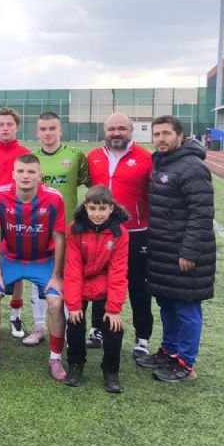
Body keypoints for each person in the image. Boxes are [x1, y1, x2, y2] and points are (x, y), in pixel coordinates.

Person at [137, 115, 215, 383]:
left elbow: (201, 214)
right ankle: (169, 351)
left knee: (186, 307)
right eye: (156, 134)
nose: (161, 139)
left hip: (183, 252)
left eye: (166, 133)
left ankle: (186, 363)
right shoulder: (162, 163)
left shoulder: (192, 167)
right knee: (167, 303)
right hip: (162, 250)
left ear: (180, 136)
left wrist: (189, 252)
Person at [0, 154, 67, 379]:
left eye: (31, 172)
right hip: (11, 259)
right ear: (13, 174)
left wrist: (57, 276)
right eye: (20, 171)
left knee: (55, 302)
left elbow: (59, 237)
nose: (25, 176)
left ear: (40, 176)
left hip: (43, 260)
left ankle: (55, 357)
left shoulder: (54, 198)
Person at [87, 112, 154, 359]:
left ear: (131, 131)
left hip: (136, 232)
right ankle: (97, 329)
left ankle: (142, 338)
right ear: (105, 131)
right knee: (99, 281)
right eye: (112, 129)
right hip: (102, 232)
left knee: (138, 285)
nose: (116, 133)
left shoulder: (146, 158)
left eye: (122, 129)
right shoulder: (93, 157)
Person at [29, 112, 89, 347]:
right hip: (38, 230)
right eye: (43, 129)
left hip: (68, 231)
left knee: (67, 279)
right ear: (37, 132)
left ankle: (63, 330)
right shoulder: (32, 159)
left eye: (52, 128)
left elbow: (86, 183)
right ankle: (38, 327)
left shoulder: (75, 155)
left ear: (61, 130)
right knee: (38, 280)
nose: (48, 133)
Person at [63, 185, 130, 393]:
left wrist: (114, 309)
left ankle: (111, 371)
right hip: (81, 281)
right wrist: (74, 305)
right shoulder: (75, 229)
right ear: (86, 207)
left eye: (102, 209)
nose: (97, 214)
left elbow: (118, 271)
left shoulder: (120, 233)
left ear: (111, 208)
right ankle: (75, 364)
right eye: (92, 208)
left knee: (113, 326)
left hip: (105, 282)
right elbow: (72, 269)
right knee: (74, 322)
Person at [0, 107, 31, 337]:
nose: (5, 128)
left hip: (16, 223)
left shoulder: (25, 154)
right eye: (1, 124)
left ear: (17, 127)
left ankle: (15, 317)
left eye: (10, 124)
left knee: (17, 270)